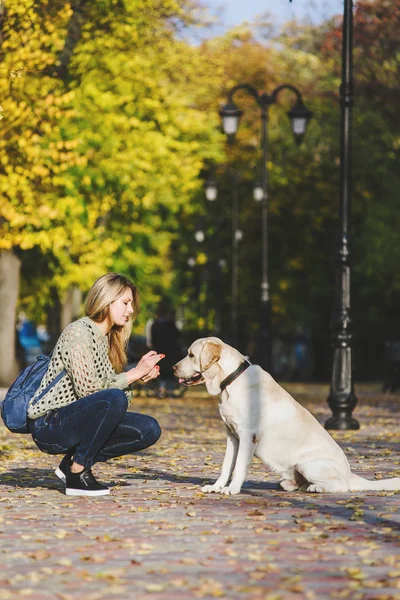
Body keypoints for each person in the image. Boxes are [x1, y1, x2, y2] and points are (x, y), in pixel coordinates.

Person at [27, 273, 164, 497]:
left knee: (149, 429)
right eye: (125, 303)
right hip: (49, 424)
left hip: (77, 420)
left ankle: (72, 463)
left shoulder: (108, 339)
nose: (130, 310)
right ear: (106, 299)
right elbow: (90, 391)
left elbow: (115, 403)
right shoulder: (79, 333)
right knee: (114, 398)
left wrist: (136, 378)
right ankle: (78, 474)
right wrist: (133, 374)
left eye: (131, 305)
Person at [150, 301, 183, 397]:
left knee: (162, 372)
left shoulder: (155, 324)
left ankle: (161, 388)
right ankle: (170, 390)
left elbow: (153, 340)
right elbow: (178, 336)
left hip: (160, 352)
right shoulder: (170, 324)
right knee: (170, 371)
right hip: (172, 351)